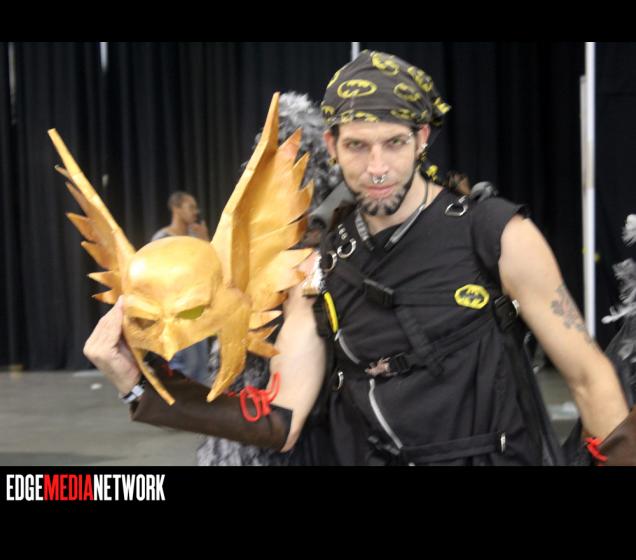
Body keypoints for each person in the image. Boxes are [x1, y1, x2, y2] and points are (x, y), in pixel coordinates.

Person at [84, 50, 636, 466]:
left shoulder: (497, 235)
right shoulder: (317, 267)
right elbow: (280, 421)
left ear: (422, 138)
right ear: (331, 145)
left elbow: (589, 377)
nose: (376, 168)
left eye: (394, 143)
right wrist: (140, 384)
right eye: (357, 145)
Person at [151, 191, 210, 385]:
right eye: (190, 207)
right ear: (176, 208)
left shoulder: (195, 236)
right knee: (183, 365)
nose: (195, 211)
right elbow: (154, 277)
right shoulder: (162, 239)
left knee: (200, 367)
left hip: (198, 309)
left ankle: (197, 401)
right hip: (175, 311)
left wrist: (204, 241)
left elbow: (211, 268)